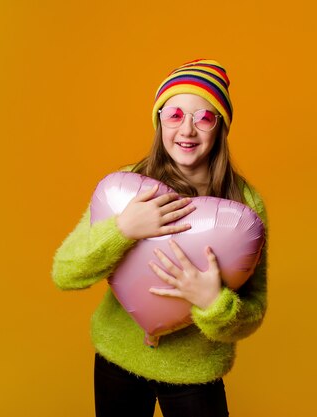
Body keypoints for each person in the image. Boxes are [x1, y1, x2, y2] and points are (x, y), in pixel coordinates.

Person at [51, 59, 268, 417]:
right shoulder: (125, 189)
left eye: (204, 117)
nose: (187, 130)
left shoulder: (244, 206)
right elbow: (65, 273)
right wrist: (122, 231)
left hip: (195, 376)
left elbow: (253, 312)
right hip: (117, 363)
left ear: (221, 127)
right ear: (159, 121)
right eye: (175, 114)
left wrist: (213, 301)